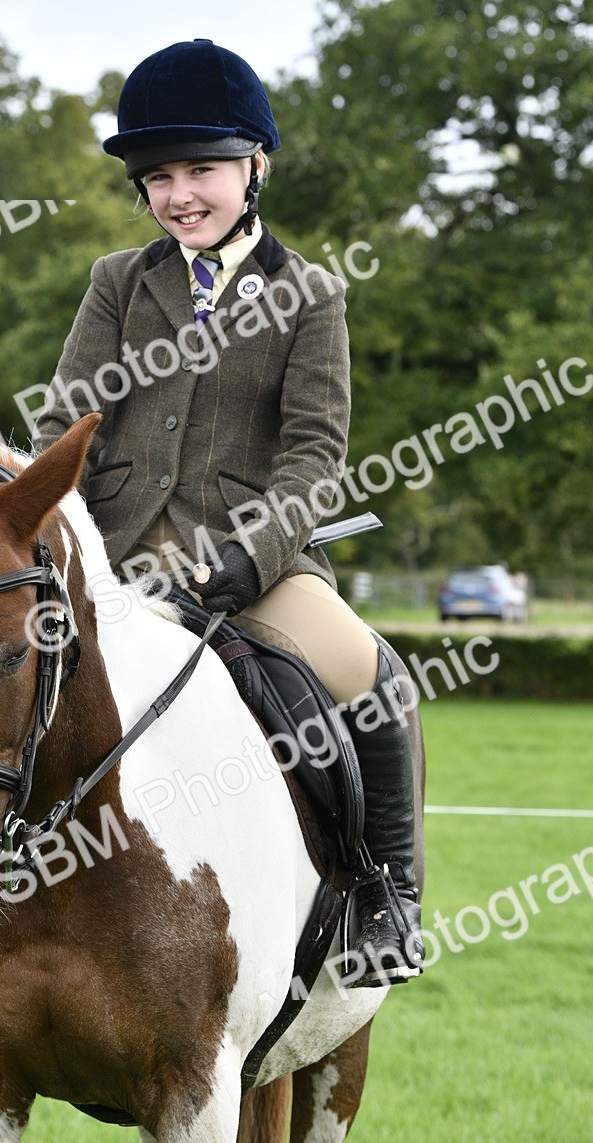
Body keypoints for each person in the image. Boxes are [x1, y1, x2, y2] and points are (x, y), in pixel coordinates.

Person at [29, 38, 424, 987]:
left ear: (255, 166)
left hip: (252, 569)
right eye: (158, 178)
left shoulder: (309, 296)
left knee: (379, 678)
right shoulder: (118, 282)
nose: (178, 196)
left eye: (200, 170)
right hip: (112, 557)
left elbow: (312, 455)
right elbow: (64, 424)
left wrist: (251, 558)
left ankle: (389, 896)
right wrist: (42, 526)